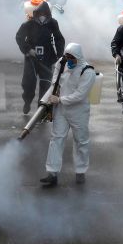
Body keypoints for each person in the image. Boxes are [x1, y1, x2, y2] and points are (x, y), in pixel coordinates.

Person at [41, 43, 96, 187]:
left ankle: (80, 171)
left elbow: (80, 95)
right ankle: (52, 173)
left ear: (78, 57)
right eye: (67, 57)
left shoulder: (87, 72)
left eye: (72, 59)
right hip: (61, 109)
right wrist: (53, 93)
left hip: (79, 112)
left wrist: (60, 99)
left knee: (81, 141)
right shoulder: (62, 62)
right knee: (56, 139)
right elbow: (55, 78)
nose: (69, 61)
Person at [15, 0, 65, 115]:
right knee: (28, 84)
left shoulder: (53, 23)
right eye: (40, 15)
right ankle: (27, 102)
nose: (42, 18)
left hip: (47, 57)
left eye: (45, 15)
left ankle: (40, 110)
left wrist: (59, 55)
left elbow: (59, 39)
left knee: (46, 85)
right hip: (32, 58)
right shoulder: (28, 24)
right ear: (36, 14)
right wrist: (28, 50)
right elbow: (19, 37)